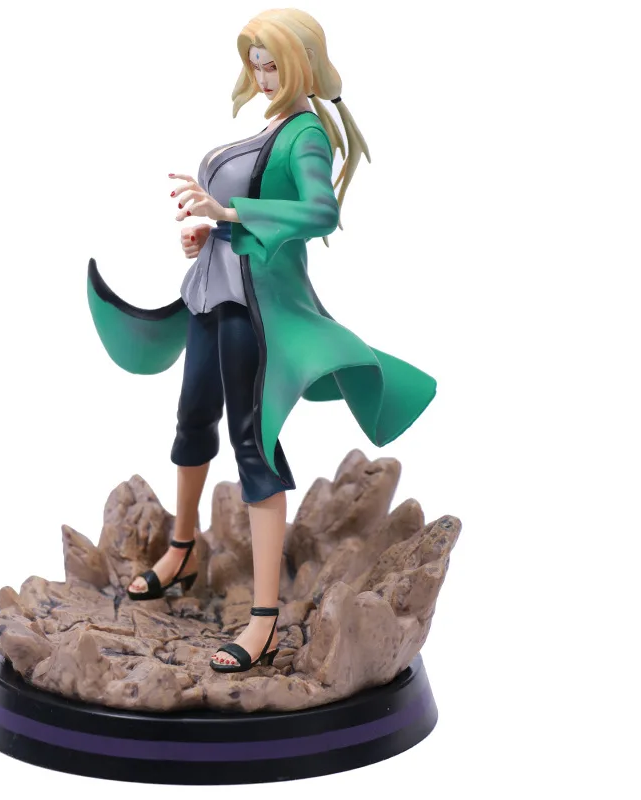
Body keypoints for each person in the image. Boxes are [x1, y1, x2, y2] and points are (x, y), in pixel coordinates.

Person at [86, 8, 437, 673]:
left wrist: (228, 211)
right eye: (256, 63)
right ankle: (183, 548)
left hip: (254, 309)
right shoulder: (270, 126)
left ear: (302, 64)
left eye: (274, 64)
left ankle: (265, 621)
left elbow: (321, 211)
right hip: (208, 293)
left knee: (254, 443)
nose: (264, 75)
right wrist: (207, 232)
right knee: (192, 420)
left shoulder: (306, 133)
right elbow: (233, 220)